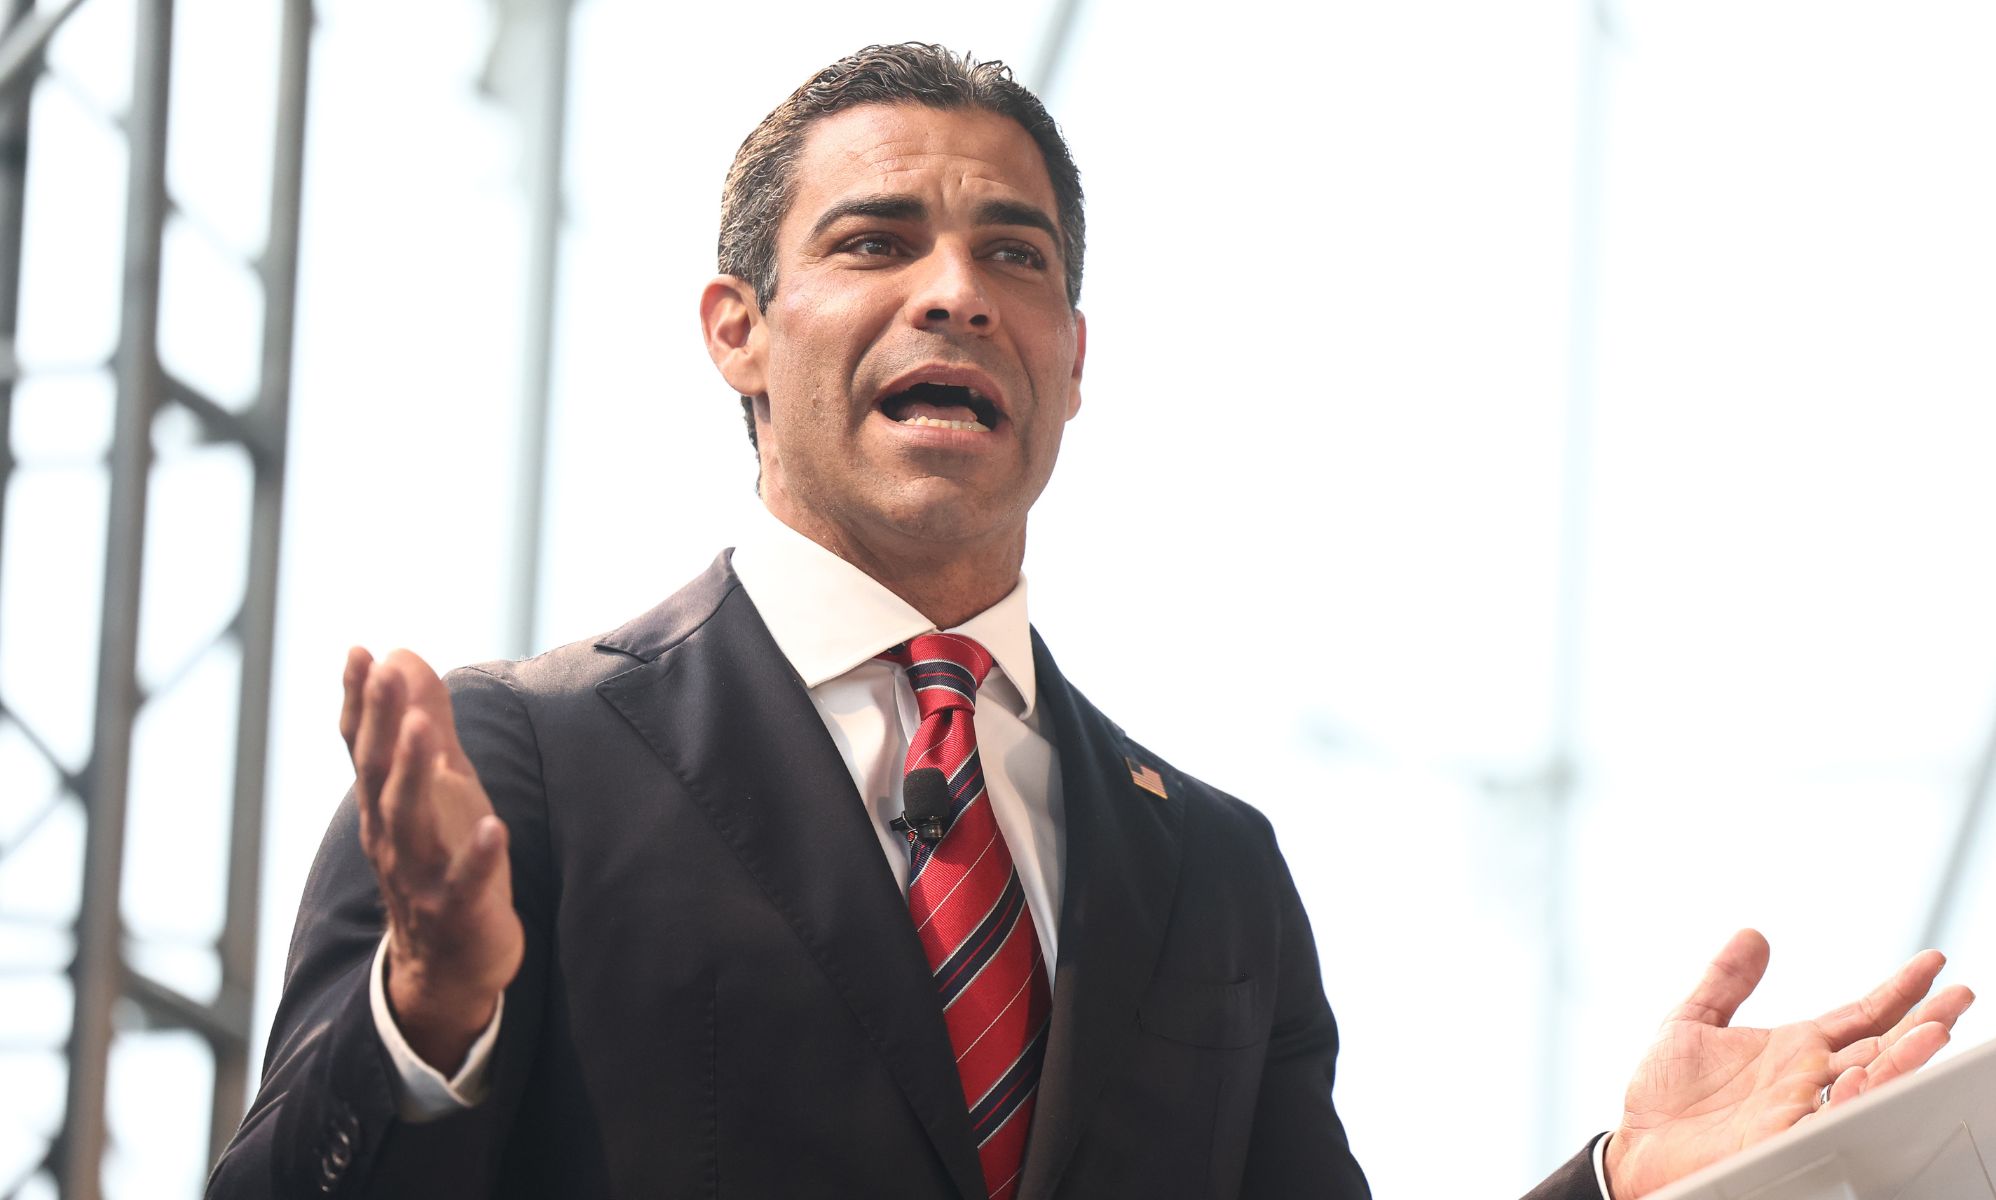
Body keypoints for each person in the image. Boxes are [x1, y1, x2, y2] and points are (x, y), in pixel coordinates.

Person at [207, 43, 1973, 1200]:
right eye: (878, 238)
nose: (958, 289)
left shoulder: (1213, 872)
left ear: (1073, 359)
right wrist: (427, 1017)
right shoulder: (529, 760)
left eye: (1019, 255)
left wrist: (1616, 1184)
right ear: (737, 328)